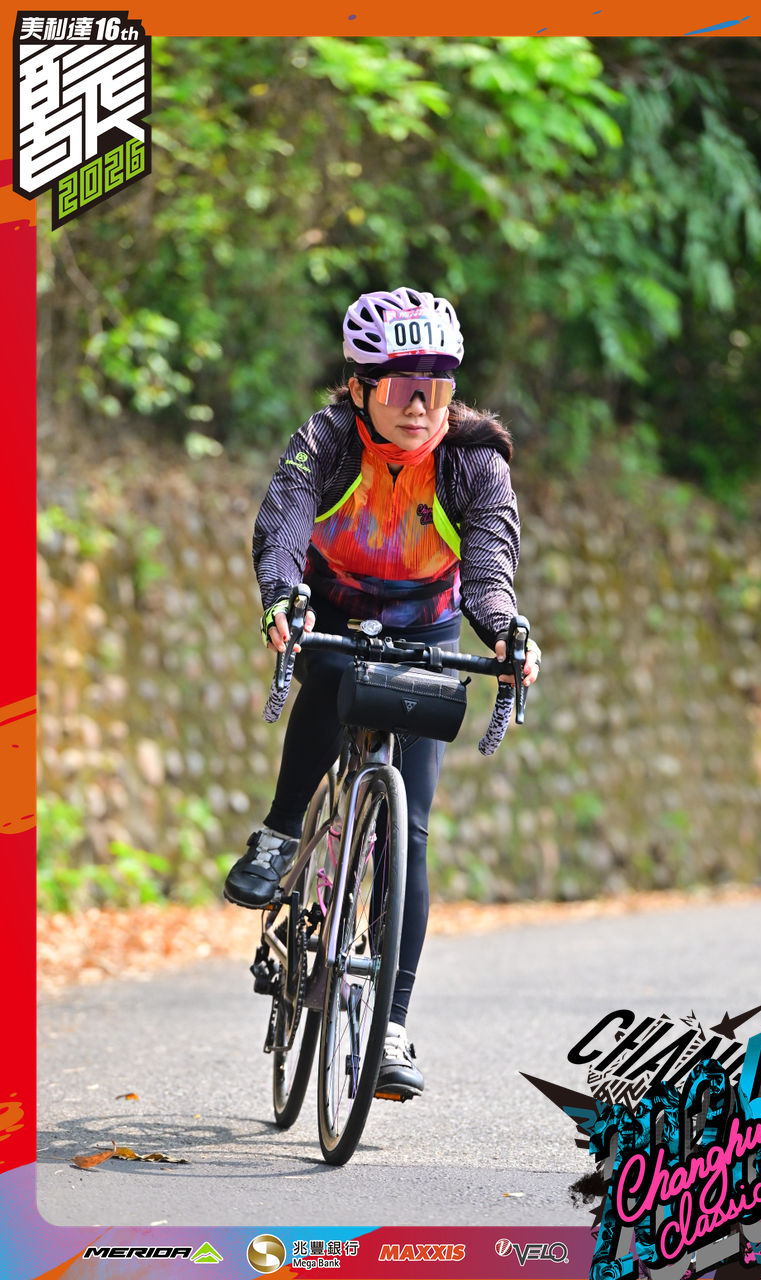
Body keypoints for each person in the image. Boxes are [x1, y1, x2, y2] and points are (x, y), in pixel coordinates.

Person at [224, 286, 540, 1100]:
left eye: (436, 383)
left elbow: (489, 570)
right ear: (359, 386)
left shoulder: (474, 462)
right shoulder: (326, 440)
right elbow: (283, 526)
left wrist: (504, 633)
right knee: (331, 675)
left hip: (427, 624)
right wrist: (280, 597)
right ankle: (280, 834)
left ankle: (390, 1026)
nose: (419, 402)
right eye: (400, 383)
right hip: (330, 610)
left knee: (414, 830)